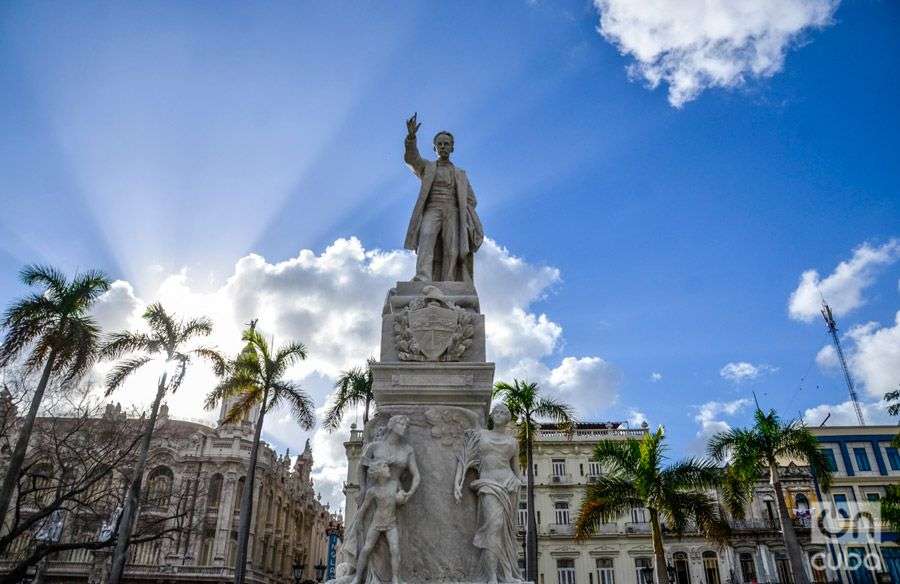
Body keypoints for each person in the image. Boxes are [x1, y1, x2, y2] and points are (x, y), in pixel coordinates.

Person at [403, 113, 484, 283]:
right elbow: (412, 159)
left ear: (452, 147)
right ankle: (422, 277)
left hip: (453, 212)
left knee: (452, 249)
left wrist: (466, 215)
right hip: (432, 209)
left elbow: (471, 199)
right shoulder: (427, 167)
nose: (443, 146)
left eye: (446, 144)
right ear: (434, 148)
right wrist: (411, 138)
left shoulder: (460, 174)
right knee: (426, 239)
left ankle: (449, 281)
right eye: (439, 144)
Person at [454, 404, 524, 584]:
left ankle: (502, 574)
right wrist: (458, 482)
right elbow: (464, 459)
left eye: (504, 412)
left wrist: (516, 482)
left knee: (502, 532)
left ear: (508, 418)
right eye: (497, 411)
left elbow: (517, 472)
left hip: (507, 486)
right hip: (488, 484)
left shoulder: (513, 442)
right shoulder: (481, 434)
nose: (500, 414)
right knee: (493, 526)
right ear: (492, 416)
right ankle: (491, 576)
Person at [352, 461, 404, 584]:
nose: (388, 469)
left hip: (391, 523)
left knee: (395, 549)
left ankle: (395, 578)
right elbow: (364, 508)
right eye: (385, 467)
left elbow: (402, 495)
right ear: (379, 472)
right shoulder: (373, 491)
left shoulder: (394, 484)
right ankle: (358, 577)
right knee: (366, 549)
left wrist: (401, 497)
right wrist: (358, 522)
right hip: (376, 523)